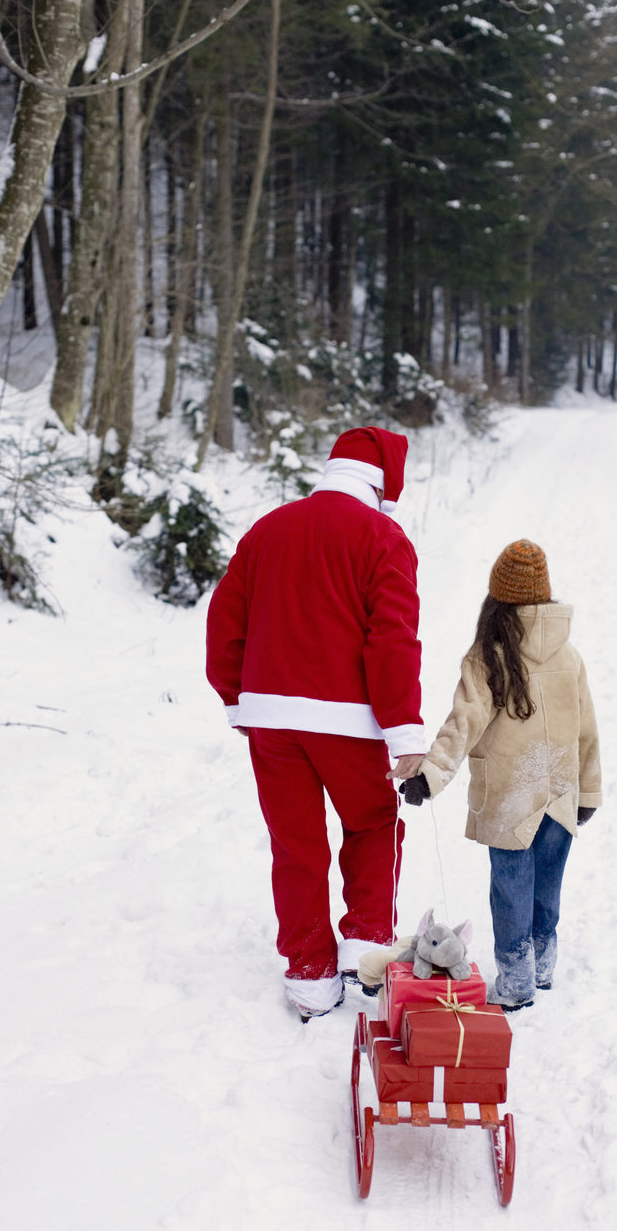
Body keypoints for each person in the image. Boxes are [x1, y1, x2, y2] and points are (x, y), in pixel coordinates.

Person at [205, 426, 425, 1020]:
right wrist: (404, 731)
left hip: (271, 719)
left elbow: (225, 618)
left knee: (295, 844)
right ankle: (366, 943)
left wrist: (236, 699)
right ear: (383, 484)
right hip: (351, 721)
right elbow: (393, 641)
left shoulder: (268, 529)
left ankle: (309, 976)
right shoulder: (383, 537)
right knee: (374, 823)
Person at [401, 539, 601, 1011]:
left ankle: (516, 982)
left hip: (511, 799)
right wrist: (587, 790)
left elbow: (462, 724)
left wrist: (430, 774)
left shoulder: (489, 657)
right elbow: (588, 730)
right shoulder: (569, 656)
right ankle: (542, 967)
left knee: (512, 893)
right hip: (559, 791)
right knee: (546, 887)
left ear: (497, 599)